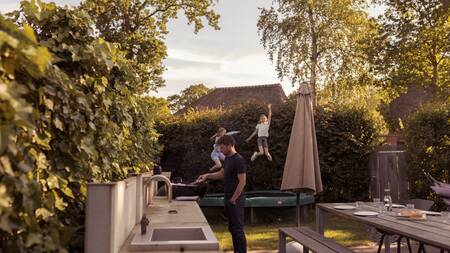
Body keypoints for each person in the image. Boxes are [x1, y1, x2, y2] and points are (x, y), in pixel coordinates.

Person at [196, 135, 247, 253]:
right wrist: (207, 175)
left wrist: (234, 198)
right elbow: (222, 173)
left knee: (238, 230)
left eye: (222, 147)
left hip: (236, 199)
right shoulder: (228, 159)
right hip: (228, 197)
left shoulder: (239, 160)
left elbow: (242, 182)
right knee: (232, 228)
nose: (220, 150)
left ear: (230, 145)